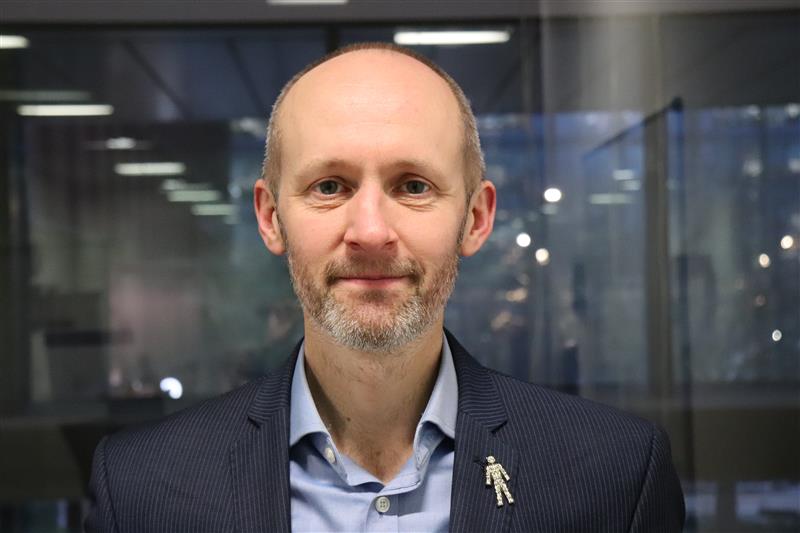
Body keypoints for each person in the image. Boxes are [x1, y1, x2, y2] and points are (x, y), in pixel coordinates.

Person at [86, 42, 685, 532]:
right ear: (270, 217)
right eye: (329, 186)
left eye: (413, 186)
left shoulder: (615, 477)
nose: (371, 232)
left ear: (476, 219)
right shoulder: (142, 491)